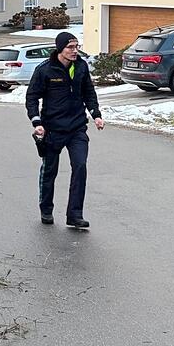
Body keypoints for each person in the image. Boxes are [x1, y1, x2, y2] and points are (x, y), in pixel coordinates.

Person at [25, 31, 104, 228]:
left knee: (80, 166)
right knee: (49, 170)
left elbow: (89, 93)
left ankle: (75, 214)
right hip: (53, 129)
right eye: (70, 47)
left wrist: (96, 115)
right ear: (60, 48)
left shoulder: (81, 67)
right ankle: (46, 209)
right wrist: (37, 122)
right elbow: (32, 97)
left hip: (77, 128)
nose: (74, 51)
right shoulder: (45, 70)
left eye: (76, 47)